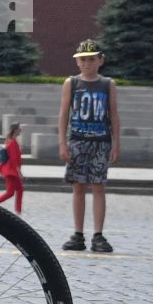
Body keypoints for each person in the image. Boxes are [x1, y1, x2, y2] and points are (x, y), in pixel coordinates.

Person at [57, 41, 119, 253]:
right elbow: (64, 114)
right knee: (78, 187)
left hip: (101, 142)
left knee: (99, 186)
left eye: (92, 59)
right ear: (77, 61)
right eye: (83, 59)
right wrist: (62, 143)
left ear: (100, 60)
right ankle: (78, 233)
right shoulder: (71, 83)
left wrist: (116, 143)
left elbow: (114, 115)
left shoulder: (108, 84)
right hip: (77, 141)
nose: (87, 63)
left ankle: (98, 235)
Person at [0, 121, 25, 214]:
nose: (21, 130)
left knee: (20, 189)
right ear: (15, 130)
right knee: (10, 193)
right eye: (19, 128)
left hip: (12, 170)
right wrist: (19, 172)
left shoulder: (13, 141)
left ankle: (18, 211)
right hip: (11, 171)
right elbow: (14, 159)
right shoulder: (12, 143)